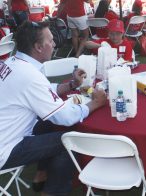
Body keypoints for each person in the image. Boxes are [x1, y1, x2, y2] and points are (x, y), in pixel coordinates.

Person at [0, 21, 107, 195]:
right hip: (6, 148)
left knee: (49, 123)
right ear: (38, 47)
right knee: (70, 140)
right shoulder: (29, 75)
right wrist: (96, 103)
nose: (55, 44)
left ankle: (41, 175)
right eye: (50, 41)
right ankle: (52, 192)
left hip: (7, 132)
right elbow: (65, 117)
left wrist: (71, 84)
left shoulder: (14, 61)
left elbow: (43, 90)